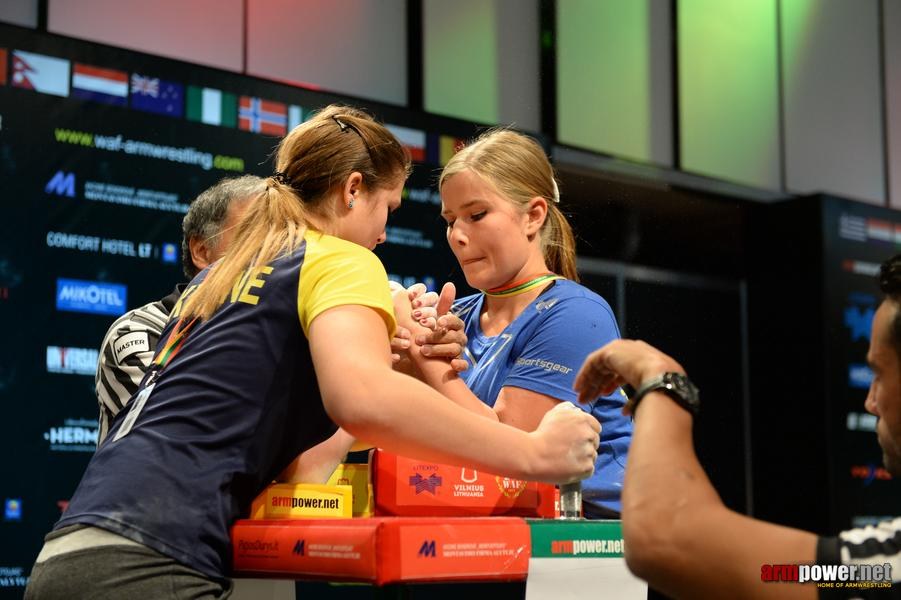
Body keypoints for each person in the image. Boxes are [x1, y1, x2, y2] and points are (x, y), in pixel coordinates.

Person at [24, 105, 600, 599]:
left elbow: (304, 462)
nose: (383, 234)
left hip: (70, 555)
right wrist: (533, 453)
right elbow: (365, 402)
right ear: (353, 190)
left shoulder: (218, 278)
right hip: (154, 561)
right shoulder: (341, 258)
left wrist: (394, 359)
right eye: (388, 209)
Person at [572, 254, 901, 598]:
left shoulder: (883, 566)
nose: (871, 401)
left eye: (879, 373)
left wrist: (663, 380)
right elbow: (787, 574)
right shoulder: (875, 571)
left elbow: (664, 538)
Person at [400, 129, 632, 518]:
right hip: (495, 532)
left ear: (533, 216)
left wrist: (426, 358)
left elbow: (513, 457)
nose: (457, 236)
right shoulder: (455, 318)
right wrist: (403, 360)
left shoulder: (577, 314)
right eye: (450, 220)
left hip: (591, 539)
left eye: (476, 215)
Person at [94, 175, 263, 444]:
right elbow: (187, 432)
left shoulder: (276, 333)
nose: (271, 256)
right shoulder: (139, 330)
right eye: (252, 238)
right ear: (202, 251)